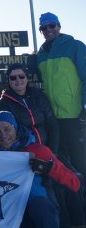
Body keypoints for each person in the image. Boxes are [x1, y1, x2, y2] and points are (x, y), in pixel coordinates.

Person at [0, 111, 81, 228]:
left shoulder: (37, 150)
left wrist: (48, 169)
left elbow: (74, 183)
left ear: (15, 128)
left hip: (38, 207)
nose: (3, 135)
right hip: (7, 207)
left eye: (7, 129)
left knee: (40, 205)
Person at [37, 12, 86, 178]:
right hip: (52, 116)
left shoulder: (76, 46)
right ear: (41, 30)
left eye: (52, 25)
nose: (49, 29)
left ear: (59, 26)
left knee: (79, 157)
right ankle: (70, 196)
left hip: (73, 114)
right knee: (60, 158)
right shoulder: (41, 54)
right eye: (44, 27)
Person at [0, 63, 59, 153]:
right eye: (13, 78)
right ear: (9, 81)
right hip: (23, 150)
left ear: (27, 78)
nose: (18, 80)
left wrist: (53, 151)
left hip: (46, 147)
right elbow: (7, 132)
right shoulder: (4, 102)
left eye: (21, 76)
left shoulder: (39, 96)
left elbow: (52, 124)